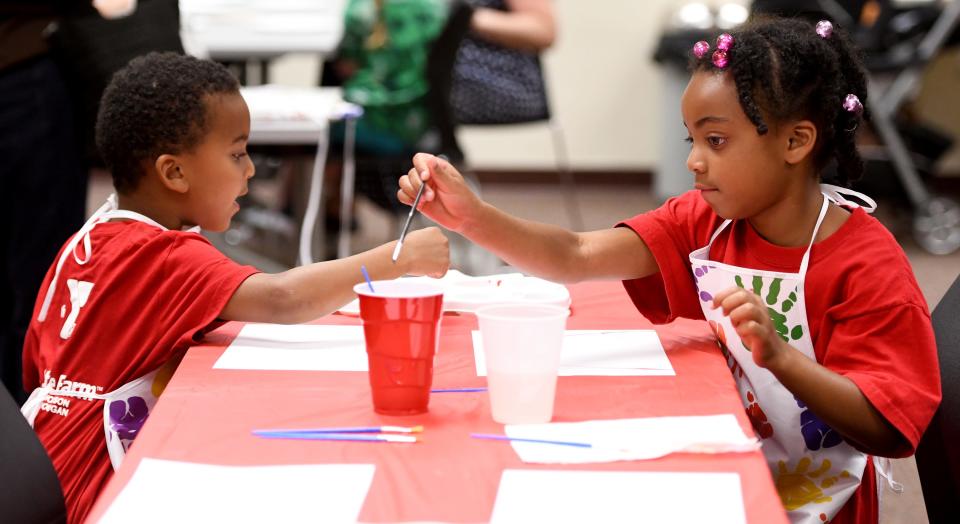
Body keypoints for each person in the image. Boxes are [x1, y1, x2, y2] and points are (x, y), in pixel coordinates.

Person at [398, 17, 941, 524]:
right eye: (693, 140)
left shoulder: (869, 265)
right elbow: (577, 255)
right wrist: (472, 218)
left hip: (819, 503)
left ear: (796, 142)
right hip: (729, 459)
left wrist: (781, 358)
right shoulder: (710, 221)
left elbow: (888, 428)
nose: (693, 161)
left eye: (717, 140)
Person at [20, 52, 449, 523]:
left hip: (42, 470)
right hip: (98, 494)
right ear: (175, 173)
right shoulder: (166, 258)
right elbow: (284, 297)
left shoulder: (84, 243)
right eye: (237, 153)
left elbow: (35, 371)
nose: (249, 171)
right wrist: (401, 256)